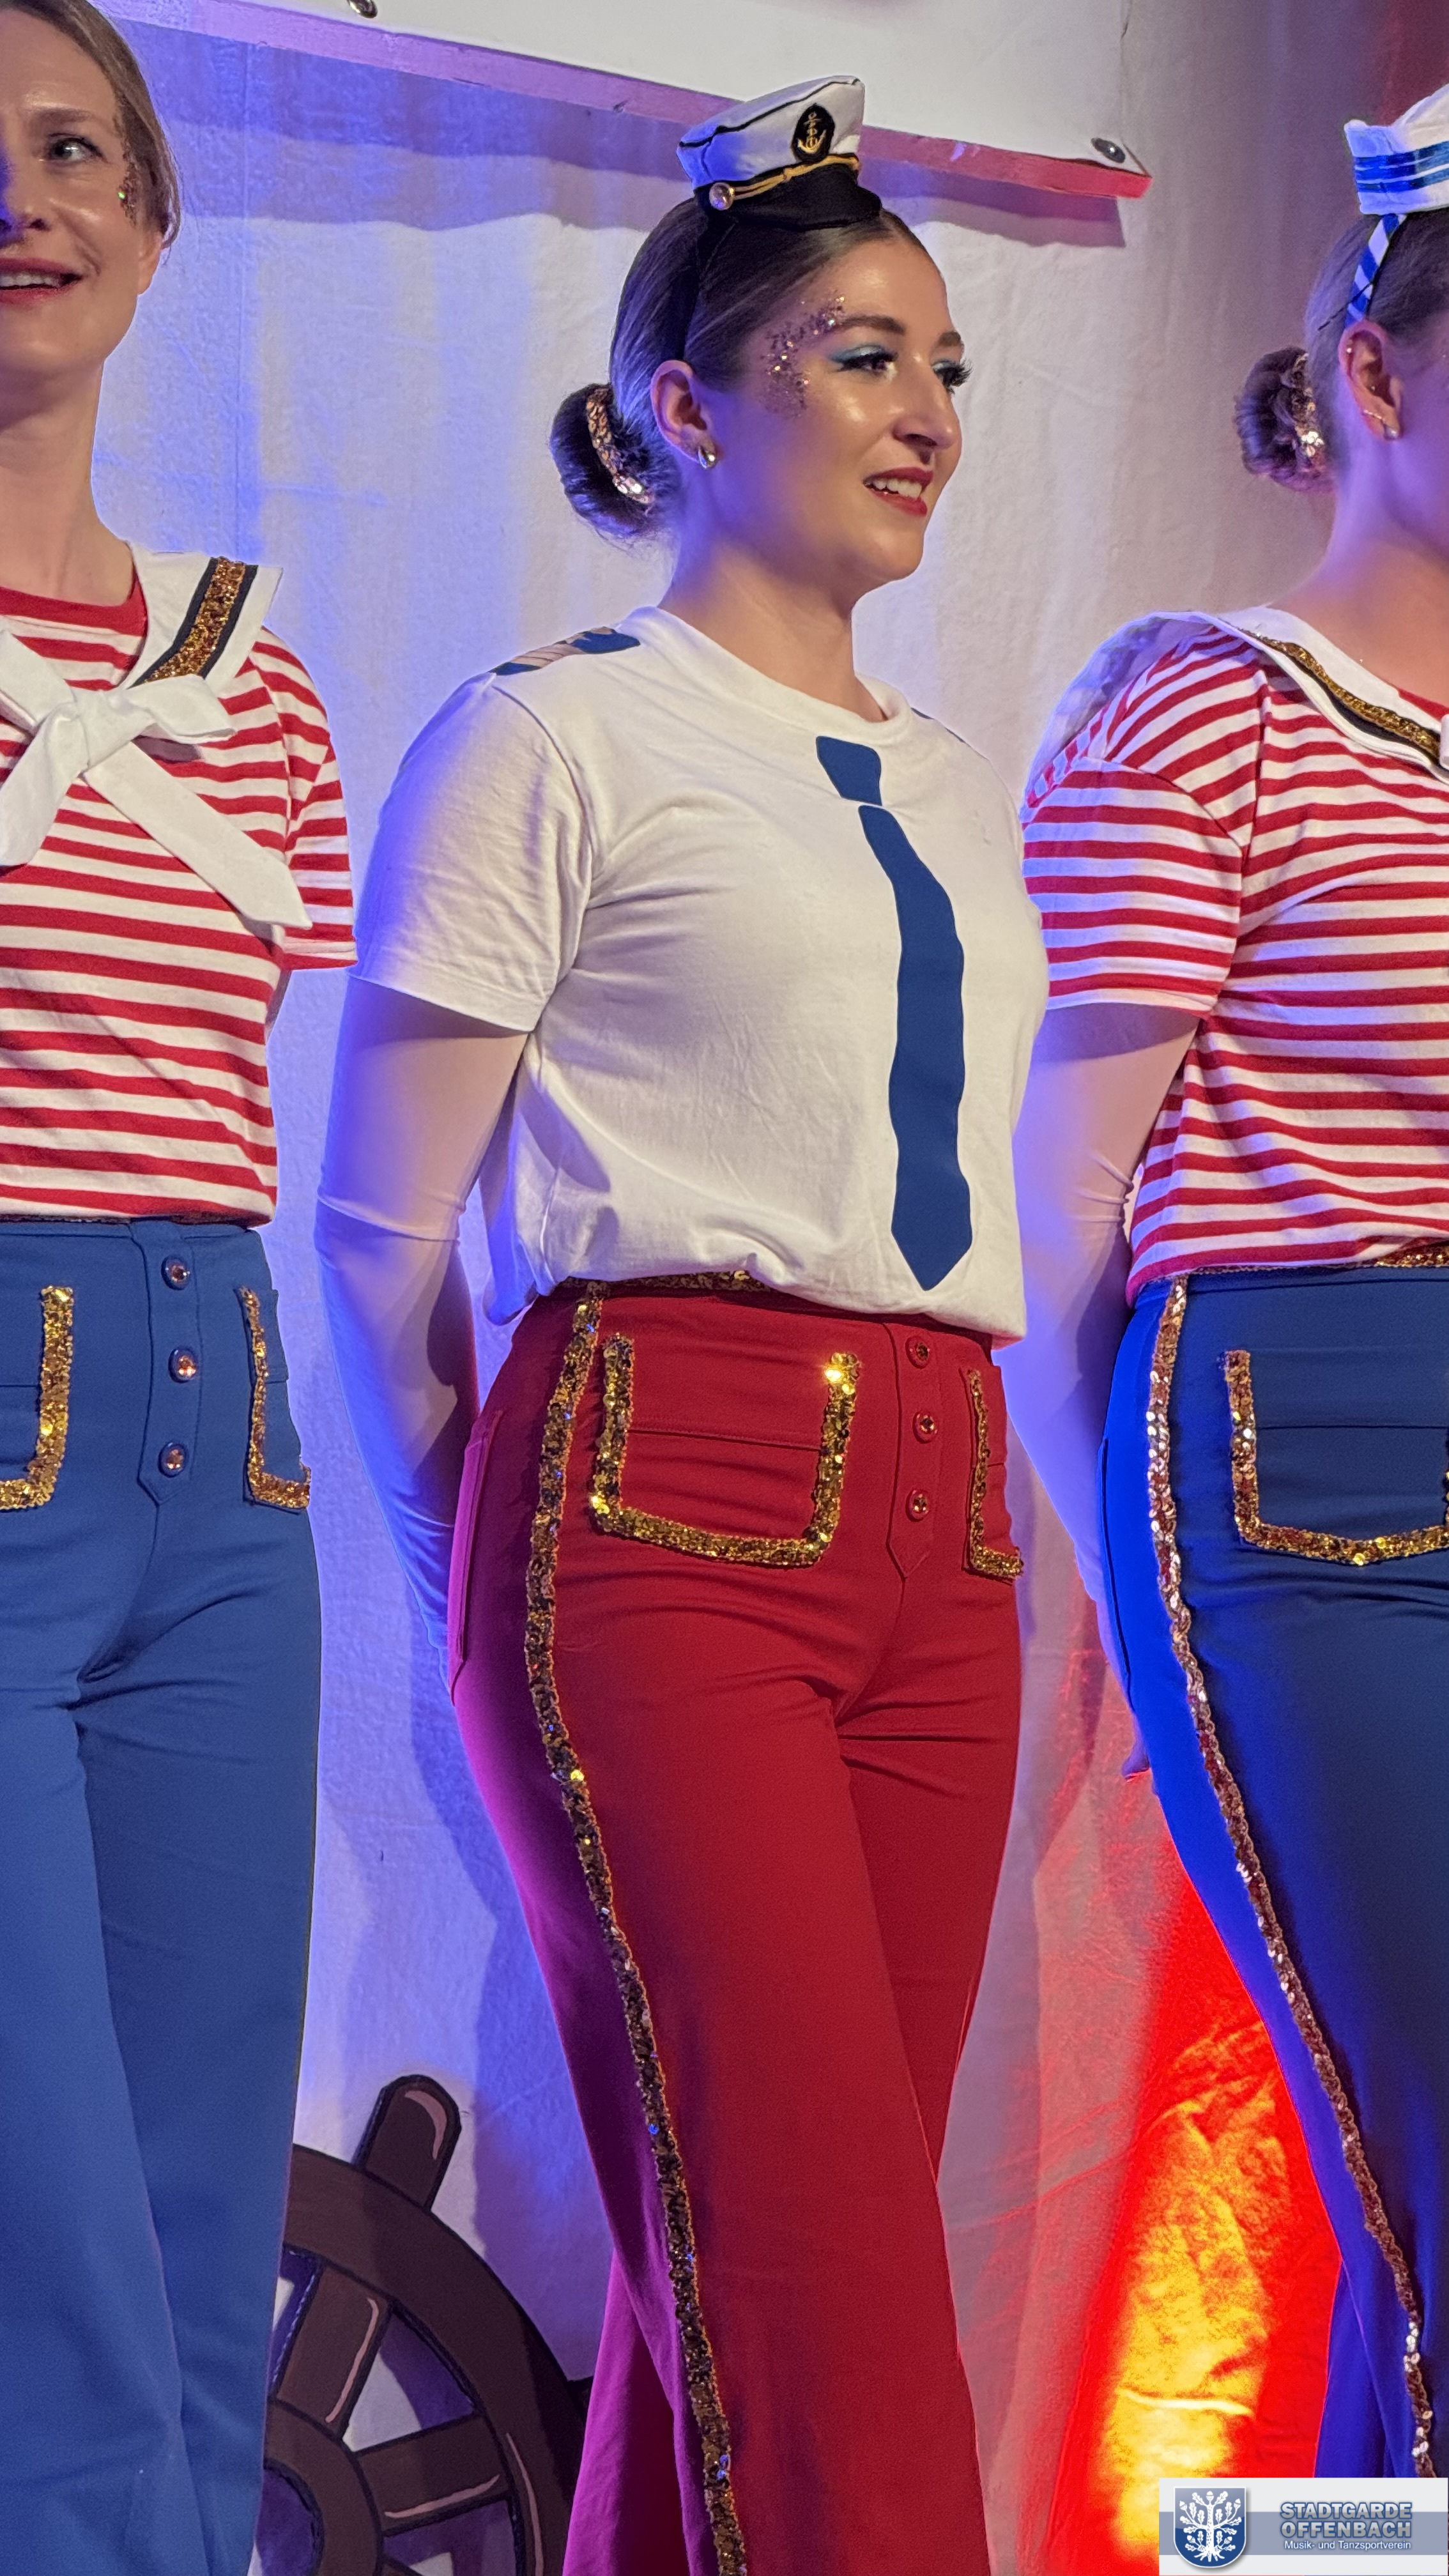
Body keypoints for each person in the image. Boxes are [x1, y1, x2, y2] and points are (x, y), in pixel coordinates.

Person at [318, 74, 1045, 2576]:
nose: (926, 416)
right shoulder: (554, 734)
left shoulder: (959, 782)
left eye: (947, 367)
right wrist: (479, 1552)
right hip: (656, 1495)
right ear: (688, 408)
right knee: (821, 2313)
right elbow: (375, 1230)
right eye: (861, 355)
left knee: (736, 2298)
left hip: (951, 1527)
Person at [1002, 82, 1449, 2483]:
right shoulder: (1209, 704)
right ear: (1370, 375)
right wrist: (1119, 1567)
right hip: (1301, 1458)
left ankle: (1281, 2552)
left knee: (1405, 2217)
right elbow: (1063, 1189)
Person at [0, 3, 353, 2566]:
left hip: (222, 1430)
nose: (24, 197)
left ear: (149, 218)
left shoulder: (260, 678)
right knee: (45, 2236)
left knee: (201, 2198)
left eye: (71, 148)